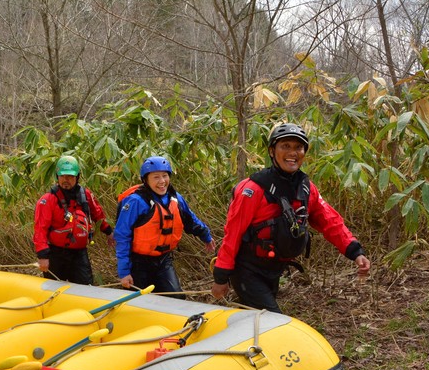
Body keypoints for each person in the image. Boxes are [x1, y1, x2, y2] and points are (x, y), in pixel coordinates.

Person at [212, 123, 371, 313]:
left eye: (298, 147)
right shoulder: (252, 189)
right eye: (285, 146)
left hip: (274, 269)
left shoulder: (305, 188)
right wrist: (221, 277)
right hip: (247, 270)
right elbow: (233, 233)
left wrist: (355, 252)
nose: (293, 153)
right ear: (272, 151)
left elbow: (329, 220)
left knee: (253, 320)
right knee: (272, 320)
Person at [115, 156, 215, 299]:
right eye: (156, 177)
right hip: (138, 263)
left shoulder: (176, 198)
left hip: (163, 260)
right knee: (139, 303)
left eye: (165, 176)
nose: (162, 181)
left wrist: (206, 235)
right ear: (146, 180)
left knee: (177, 298)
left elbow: (191, 220)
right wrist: (124, 272)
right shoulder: (135, 202)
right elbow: (122, 235)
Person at [33, 154, 115, 284]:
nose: (66, 180)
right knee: (53, 291)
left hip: (79, 253)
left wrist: (109, 233)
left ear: (77, 177)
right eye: (63, 176)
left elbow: (98, 215)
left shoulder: (85, 195)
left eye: (70, 176)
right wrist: (43, 256)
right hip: (56, 254)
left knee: (85, 288)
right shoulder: (47, 200)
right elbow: (40, 230)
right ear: (57, 177)